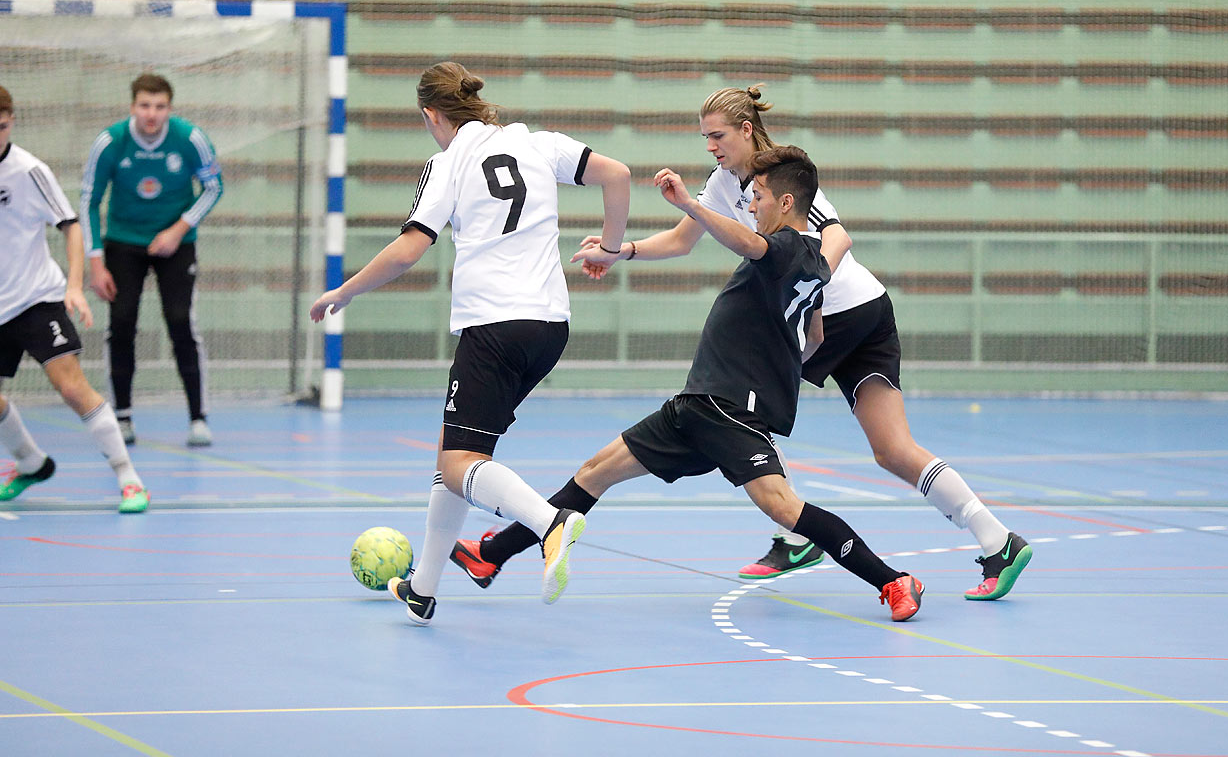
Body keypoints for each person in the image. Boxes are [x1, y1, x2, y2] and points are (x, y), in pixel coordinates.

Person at [465, 85, 1030, 601]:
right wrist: (624, 252)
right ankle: (992, 539)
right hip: (808, 322)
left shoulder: (781, 182)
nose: (710, 145)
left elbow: (833, 236)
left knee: (859, 445)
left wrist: (809, 286)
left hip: (852, 313)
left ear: (746, 131)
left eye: (717, 135)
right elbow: (687, 240)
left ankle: (840, 537)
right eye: (705, 136)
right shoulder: (724, 186)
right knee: (871, 449)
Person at [451, 146, 926, 623]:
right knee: (596, 470)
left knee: (782, 507)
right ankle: (493, 553)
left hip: (729, 410)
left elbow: (748, 245)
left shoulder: (782, 247)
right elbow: (815, 336)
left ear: (785, 204)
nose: (752, 205)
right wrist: (775, 363)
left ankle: (891, 580)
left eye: (758, 196)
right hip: (697, 405)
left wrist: (690, 205)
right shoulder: (814, 263)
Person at [309, 61, 631, 625]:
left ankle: (549, 522)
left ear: (432, 116)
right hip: (549, 327)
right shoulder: (537, 144)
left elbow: (410, 248)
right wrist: (608, 247)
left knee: (461, 462)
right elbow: (619, 174)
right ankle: (423, 590)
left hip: (494, 326)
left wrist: (347, 290)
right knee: (453, 452)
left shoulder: (447, 163)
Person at [0, 86, 149, 513]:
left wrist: (73, 286)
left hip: (35, 298)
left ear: (12, 121)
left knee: (70, 387)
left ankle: (129, 478)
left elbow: (71, 225)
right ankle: (31, 464)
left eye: (3, 126)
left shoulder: (29, 170)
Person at [82, 73, 223, 448]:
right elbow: (88, 202)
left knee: (181, 323)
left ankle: (197, 418)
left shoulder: (189, 139)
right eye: (145, 105)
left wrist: (177, 230)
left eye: (160, 107)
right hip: (123, 245)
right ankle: (123, 417)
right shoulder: (111, 142)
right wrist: (95, 263)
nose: (152, 114)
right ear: (132, 107)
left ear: (169, 109)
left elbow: (213, 188)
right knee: (122, 323)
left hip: (175, 245)